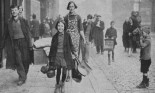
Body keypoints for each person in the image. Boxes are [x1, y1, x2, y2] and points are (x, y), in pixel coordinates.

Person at [0, 5, 33, 86]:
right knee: (18, 60)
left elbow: (28, 33)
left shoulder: (23, 20)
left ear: (18, 11)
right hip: (14, 43)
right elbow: (5, 34)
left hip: (24, 42)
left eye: (15, 10)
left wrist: (30, 44)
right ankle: (22, 77)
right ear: (11, 12)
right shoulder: (9, 22)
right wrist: (1, 45)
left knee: (25, 60)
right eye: (12, 10)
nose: (14, 11)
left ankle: (24, 74)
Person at [48, 20, 76, 93]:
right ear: (57, 27)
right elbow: (52, 48)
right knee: (58, 71)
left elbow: (71, 44)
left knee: (64, 71)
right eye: (59, 26)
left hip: (65, 55)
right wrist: (50, 58)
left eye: (62, 26)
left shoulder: (67, 35)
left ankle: (62, 84)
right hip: (57, 55)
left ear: (64, 27)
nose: (60, 27)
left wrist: (74, 51)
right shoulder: (55, 36)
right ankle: (57, 85)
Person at [64, 1, 86, 82]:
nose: (71, 8)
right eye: (70, 6)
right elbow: (64, 29)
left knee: (76, 56)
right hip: (68, 39)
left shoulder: (79, 17)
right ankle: (68, 75)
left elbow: (81, 29)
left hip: (76, 39)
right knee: (68, 56)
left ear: (75, 7)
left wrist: (84, 38)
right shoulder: (66, 17)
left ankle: (76, 72)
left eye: (73, 6)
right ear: (68, 8)